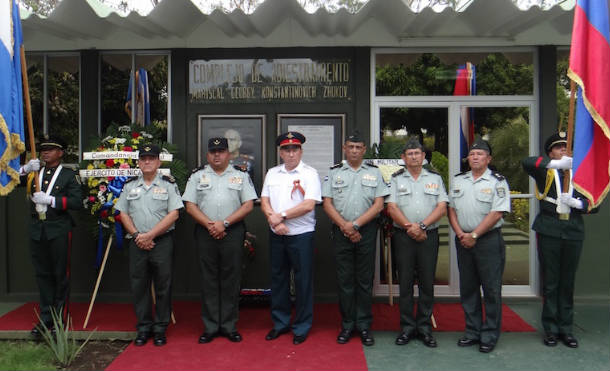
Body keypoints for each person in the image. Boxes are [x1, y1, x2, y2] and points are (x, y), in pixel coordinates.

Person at [182, 137, 257, 344]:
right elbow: (189, 205)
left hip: (232, 232)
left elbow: (248, 205)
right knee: (208, 280)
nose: (217, 155)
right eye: (213, 151)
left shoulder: (240, 175)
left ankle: (229, 325)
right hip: (205, 232)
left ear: (228, 154)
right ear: (208, 155)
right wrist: (210, 225)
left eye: (221, 151)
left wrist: (223, 224)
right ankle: (211, 326)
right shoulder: (198, 176)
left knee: (231, 279)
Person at [522, 132, 591, 348]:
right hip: (550, 229)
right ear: (551, 152)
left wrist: (579, 204)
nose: (564, 150)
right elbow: (528, 162)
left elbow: (594, 200)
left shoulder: (581, 172)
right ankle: (550, 329)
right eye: (559, 148)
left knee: (567, 282)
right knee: (551, 282)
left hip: (572, 230)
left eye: (566, 148)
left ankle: (566, 329)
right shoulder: (547, 171)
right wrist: (556, 164)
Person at [322, 132, 389, 346]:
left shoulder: (374, 173)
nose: (354, 151)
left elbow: (379, 205)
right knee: (345, 281)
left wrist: (356, 225)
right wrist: (345, 226)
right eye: (350, 147)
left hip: (367, 231)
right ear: (344, 148)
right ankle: (348, 324)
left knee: (364, 280)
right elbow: (327, 203)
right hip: (341, 231)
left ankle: (364, 325)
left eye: (358, 147)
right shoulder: (334, 173)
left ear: (364, 150)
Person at [115, 144, 184, 347]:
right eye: (143, 158)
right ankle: (144, 327)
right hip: (137, 242)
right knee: (139, 286)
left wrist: (150, 235)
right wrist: (138, 235)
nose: (147, 161)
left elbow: (174, 214)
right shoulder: (129, 186)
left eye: (151, 158)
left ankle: (160, 328)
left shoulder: (169, 184)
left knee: (163, 285)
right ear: (138, 162)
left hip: (162, 242)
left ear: (158, 162)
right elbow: (123, 213)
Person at [447, 138, 510, 353]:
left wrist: (474, 234)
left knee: (491, 289)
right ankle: (472, 331)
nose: (475, 157)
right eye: (472, 154)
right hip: (463, 239)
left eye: (480, 154)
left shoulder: (497, 182)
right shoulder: (458, 180)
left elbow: (497, 213)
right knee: (469, 288)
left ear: (488, 159)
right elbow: (452, 210)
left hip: (488, 241)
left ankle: (490, 334)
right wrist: (460, 233)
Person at [261, 131, 321, 345]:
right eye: (286, 149)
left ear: (301, 151)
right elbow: (264, 199)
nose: (291, 153)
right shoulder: (272, 173)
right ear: (281, 152)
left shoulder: (310, 174)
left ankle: (302, 326)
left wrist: (282, 216)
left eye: (294, 149)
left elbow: (308, 204)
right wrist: (273, 220)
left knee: (303, 281)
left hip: (301, 235)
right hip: (277, 234)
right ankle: (280, 323)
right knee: (278, 280)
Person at [386, 138, 448, 348]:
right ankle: (406, 327)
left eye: (417, 153)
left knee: (427, 282)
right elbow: (391, 208)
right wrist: (409, 227)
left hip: (428, 235)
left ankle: (424, 328)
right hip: (403, 236)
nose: (413, 156)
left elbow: (441, 207)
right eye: (409, 154)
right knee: (404, 283)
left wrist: (421, 226)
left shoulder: (435, 178)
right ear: (403, 158)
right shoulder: (396, 179)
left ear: (423, 157)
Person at [21, 136, 81, 336]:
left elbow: (76, 202)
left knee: (60, 275)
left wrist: (51, 200)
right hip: (38, 230)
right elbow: (9, 178)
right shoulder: (34, 172)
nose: (45, 152)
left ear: (60, 153)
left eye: (50, 149)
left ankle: (59, 319)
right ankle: (45, 319)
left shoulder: (68, 175)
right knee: (43, 275)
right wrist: (24, 169)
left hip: (58, 229)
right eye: (43, 150)